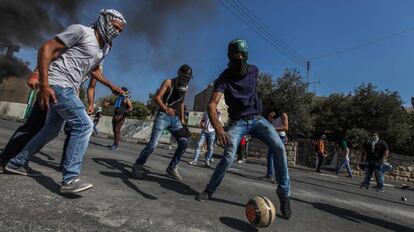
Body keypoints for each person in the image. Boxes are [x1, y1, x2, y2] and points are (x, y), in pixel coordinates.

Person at [5, 9, 126, 194]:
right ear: (104, 20)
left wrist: (110, 85)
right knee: (84, 125)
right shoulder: (80, 31)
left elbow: (92, 68)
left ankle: (16, 163)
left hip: (71, 88)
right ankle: (70, 179)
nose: (117, 32)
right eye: (115, 27)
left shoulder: (106, 47)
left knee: (51, 130)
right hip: (57, 83)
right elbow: (47, 49)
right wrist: (43, 82)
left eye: (120, 31)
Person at [195, 39, 292, 220]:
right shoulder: (224, 77)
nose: (240, 59)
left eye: (243, 56)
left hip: (258, 119)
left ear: (246, 57)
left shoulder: (253, 71)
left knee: (279, 147)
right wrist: (220, 130)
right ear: (229, 57)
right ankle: (209, 190)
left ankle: (284, 194)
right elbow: (211, 105)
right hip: (238, 123)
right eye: (236, 56)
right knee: (229, 156)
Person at [0, 65, 97, 173]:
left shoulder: (99, 57)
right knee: (34, 125)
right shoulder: (83, 48)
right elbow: (49, 52)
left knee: (67, 130)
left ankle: (65, 164)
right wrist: (36, 74)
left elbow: (92, 85)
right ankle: (5, 159)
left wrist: (91, 103)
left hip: (71, 95)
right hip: (53, 88)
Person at [131, 64, 193, 180]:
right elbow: (157, 97)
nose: (186, 79)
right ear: (179, 73)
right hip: (163, 116)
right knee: (153, 144)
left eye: (188, 77)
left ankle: (172, 168)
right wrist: (165, 108)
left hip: (175, 119)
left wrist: (183, 120)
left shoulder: (186, 87)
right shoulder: (168, 82)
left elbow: (182, 103)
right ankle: (137, 166)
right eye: (184, 76)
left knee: (184, 143)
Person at [263, 111, 288, 180]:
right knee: (269, 155)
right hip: (273, 136)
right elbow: (269, 124)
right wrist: (269, 117)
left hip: (280, 137)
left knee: (278, 157)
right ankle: (269, 175)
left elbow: (286, 128)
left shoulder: (283, 114)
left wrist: (274, 129)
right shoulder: (273, 114)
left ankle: (279, 177)